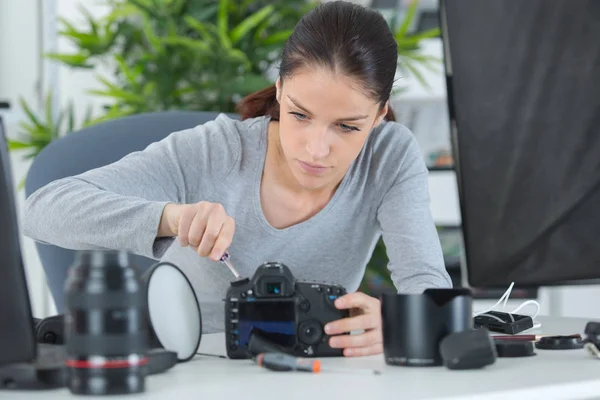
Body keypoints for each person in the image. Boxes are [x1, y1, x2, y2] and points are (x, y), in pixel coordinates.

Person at [23, 1, 451, 357]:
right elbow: (42, 211)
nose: (316, 150)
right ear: (280, 90)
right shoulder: (216, 150)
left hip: (316, 377)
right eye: (300, 115)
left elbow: (429, 286)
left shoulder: (389, 156)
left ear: (379, 116)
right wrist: (170, 218)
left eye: (347, 127)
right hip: (189, 368)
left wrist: (398, 321)